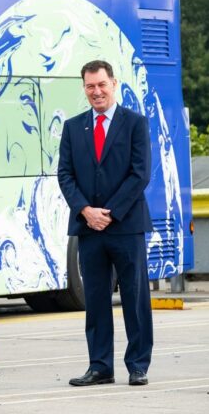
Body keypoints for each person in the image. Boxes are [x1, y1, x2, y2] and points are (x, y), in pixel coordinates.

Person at [58, 59, 153, 387]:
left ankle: (138, 364)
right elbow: (65, 175)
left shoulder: (135, 123)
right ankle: (100, 366)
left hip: (126, 225)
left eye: (101, 84)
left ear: (114, 84)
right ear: (84, 88)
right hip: (88, 228)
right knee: (96, 300)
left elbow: (140, 174)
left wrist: (109, 212)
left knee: (134, 297)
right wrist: (86, 210)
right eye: (90, 86)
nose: (96, 91)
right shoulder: (73, 127)